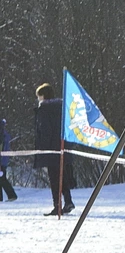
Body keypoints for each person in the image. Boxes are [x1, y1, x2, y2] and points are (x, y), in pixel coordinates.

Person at [32, 83, 74, 216]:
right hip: (63, 146)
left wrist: (42, 149)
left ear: (43, 96)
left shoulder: (44, 109)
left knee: (54, 178)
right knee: (63, 176)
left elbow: (45, 130)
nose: (38, 99)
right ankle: (68, 201)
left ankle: (57, 205)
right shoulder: (63, 107)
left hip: (51, 149)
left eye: (39, 96)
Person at [0, 117, 16, 202]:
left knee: (2, 179)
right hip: (4, 160)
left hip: (1, 160)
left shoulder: (2, 136)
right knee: (1, 178)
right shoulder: (4, 134)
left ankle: (12, 195)